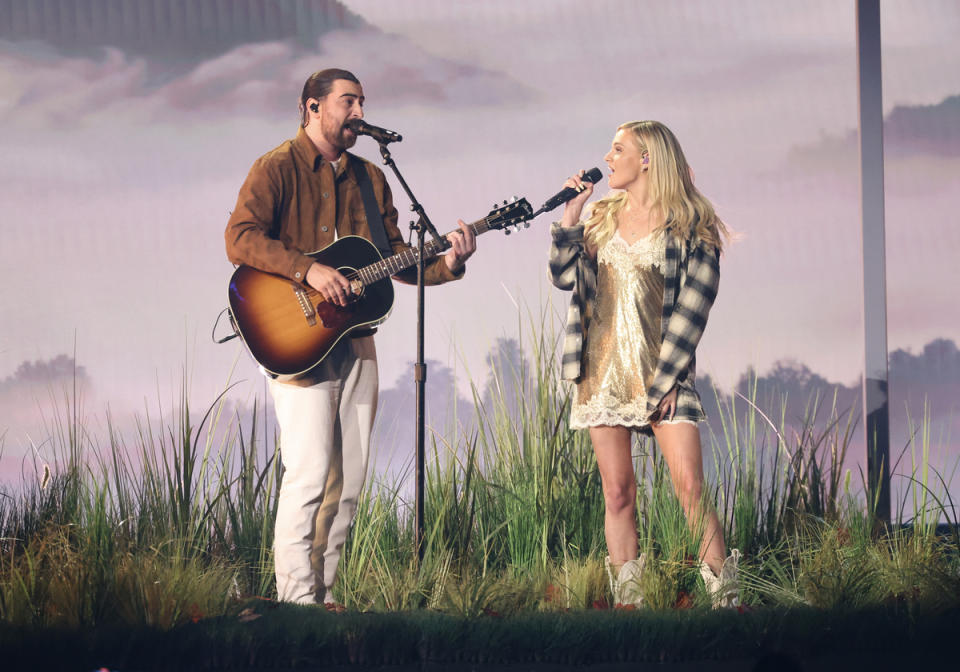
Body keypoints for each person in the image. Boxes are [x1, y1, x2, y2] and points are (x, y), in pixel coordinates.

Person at [225, 68, 476, 604]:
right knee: (310, 471)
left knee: (350, 481)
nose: (359, 112)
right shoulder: (275, 167)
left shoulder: (371, 176)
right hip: (297, 341)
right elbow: (240, 237)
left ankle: (326, 595)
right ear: (311, 108)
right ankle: (295, 601)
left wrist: (448, 261)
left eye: (362, 102)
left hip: (356, 338)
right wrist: (306, 271)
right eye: (348, 101)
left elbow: (395, 263)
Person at [548, 120, 737, 608]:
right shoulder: (600, 216)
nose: (608, 159)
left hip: (661, 376)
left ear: (647, 158)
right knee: (617, 492)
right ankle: (629, 604)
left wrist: (671, 378)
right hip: (601, 372)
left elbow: (695, 310)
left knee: (690, 489)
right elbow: (562, 275)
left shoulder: (692, 225)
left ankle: (725, 601)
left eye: (618, 150)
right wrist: (571, 213)